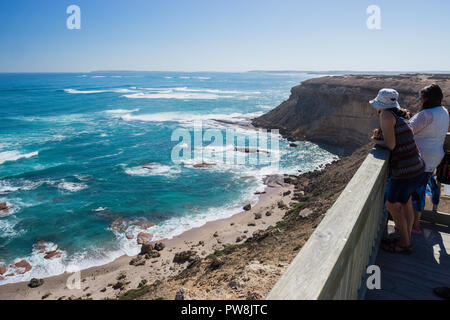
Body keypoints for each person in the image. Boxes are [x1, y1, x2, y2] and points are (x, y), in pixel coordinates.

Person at [370, 88, 426, 254]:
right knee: (405, 201)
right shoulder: (399, 115)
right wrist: (381, 137)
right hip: (417, 165)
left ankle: (405, 244)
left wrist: (374, 140)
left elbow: (391, 145)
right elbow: (396, 138)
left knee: (391, 205)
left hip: (405, 170)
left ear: (381, 103)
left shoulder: (386, 115)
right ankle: (406, 238)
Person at [410, 84, 449, 233]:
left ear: (428, 98)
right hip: (436, 156)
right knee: (422, 183)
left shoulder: (426, 115)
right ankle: (433, 189)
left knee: (416, 192)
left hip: (421, 157)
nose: (420, 100)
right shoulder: (443, 111)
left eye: (422, 97)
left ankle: (416, 226)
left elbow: (409, 130)